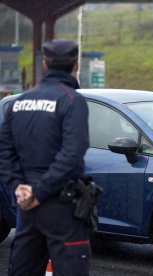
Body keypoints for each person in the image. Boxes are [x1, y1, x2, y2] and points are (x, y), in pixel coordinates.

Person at [0, 39, 91, 276]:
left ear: (45, 65)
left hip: (26, 205)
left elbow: (4, 153)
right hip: (60, 204)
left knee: (24, 268)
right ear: (76, 64)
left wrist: (19, 189)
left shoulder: (18, 103)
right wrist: (40, 193)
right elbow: (72, 153)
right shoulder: (72, 100)